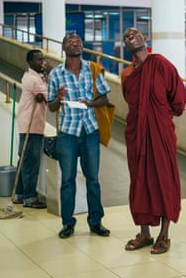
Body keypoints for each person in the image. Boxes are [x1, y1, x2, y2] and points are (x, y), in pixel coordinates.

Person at [120, 27, 186, 254]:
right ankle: (145, 233)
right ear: (125, 46)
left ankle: (164, 235)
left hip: (160, 131)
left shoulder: (160, 64)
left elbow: (178, 98)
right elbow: (131, 101)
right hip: (136, 133)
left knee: (163, 179)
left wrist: (160, 114)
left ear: (144, 38)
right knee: (139, 180)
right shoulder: (127, 74)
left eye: (134, 33)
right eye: (126, 37)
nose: (131, 37)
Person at [47, 33, 111, 239]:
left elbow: (104, 98)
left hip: (90, 131)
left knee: (93, 178)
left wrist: (91, 103)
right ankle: (67, 223)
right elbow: (51, 106)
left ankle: (96, 222)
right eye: (71, 42)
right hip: (67, 133)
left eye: (79, 42)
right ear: (64, 48)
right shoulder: (56, 74)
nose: (76, 44)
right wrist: (58, 98)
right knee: (67, 179)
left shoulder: (92, 70)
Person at [13, 49, 48, 209]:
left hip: (29, 124)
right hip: (31, 126)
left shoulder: (33, 76)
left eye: (43, 59)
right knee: (31, 164)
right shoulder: (33, 80)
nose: (43, 62)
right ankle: (30, 198)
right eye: (40, 60)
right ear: (31, 62)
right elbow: (50, 96)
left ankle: (19, 195)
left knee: (24, 161)